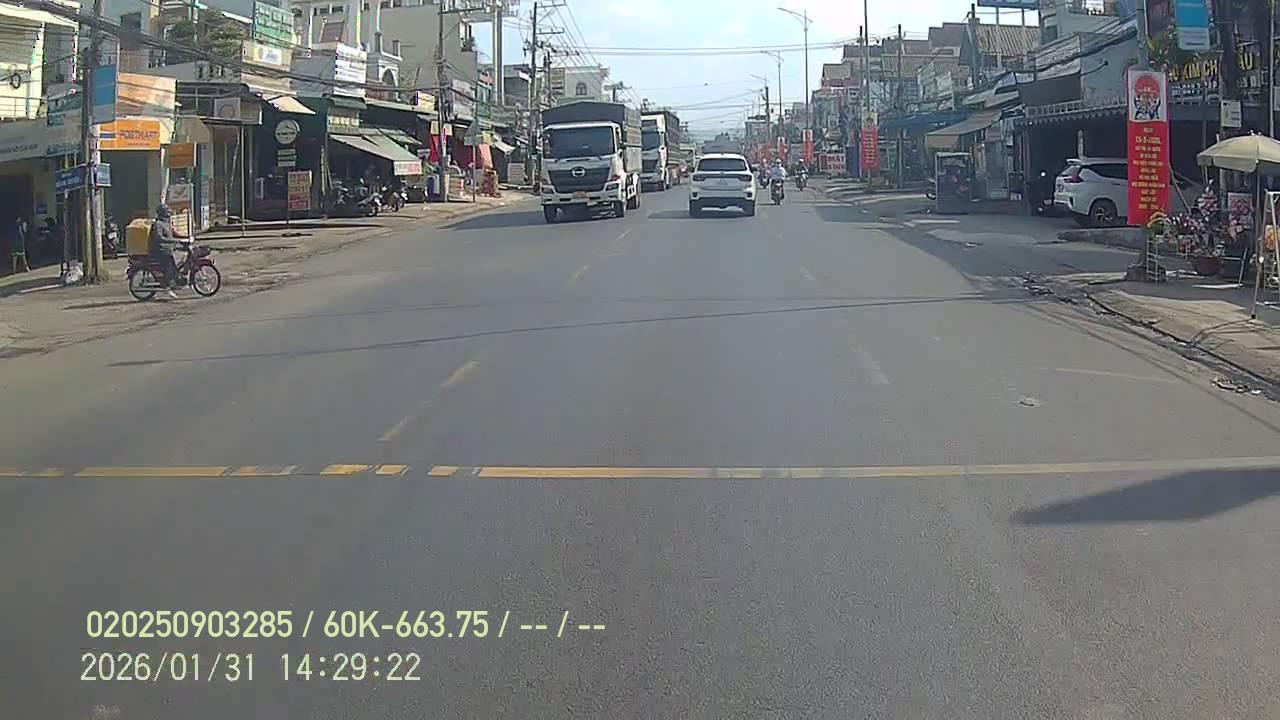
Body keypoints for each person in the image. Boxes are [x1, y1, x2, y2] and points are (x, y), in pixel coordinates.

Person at [148, 204, 184, 298]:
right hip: (158, 250)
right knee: (169, 264)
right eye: (167, 212)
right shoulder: (158, 224)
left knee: (178, 260)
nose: (168, 214)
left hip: (166, 248)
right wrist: (173, 241)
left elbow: (173, 233)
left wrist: (185, 237)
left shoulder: (166, 223)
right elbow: (159, 237)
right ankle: (166, 286)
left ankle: (175, 281)